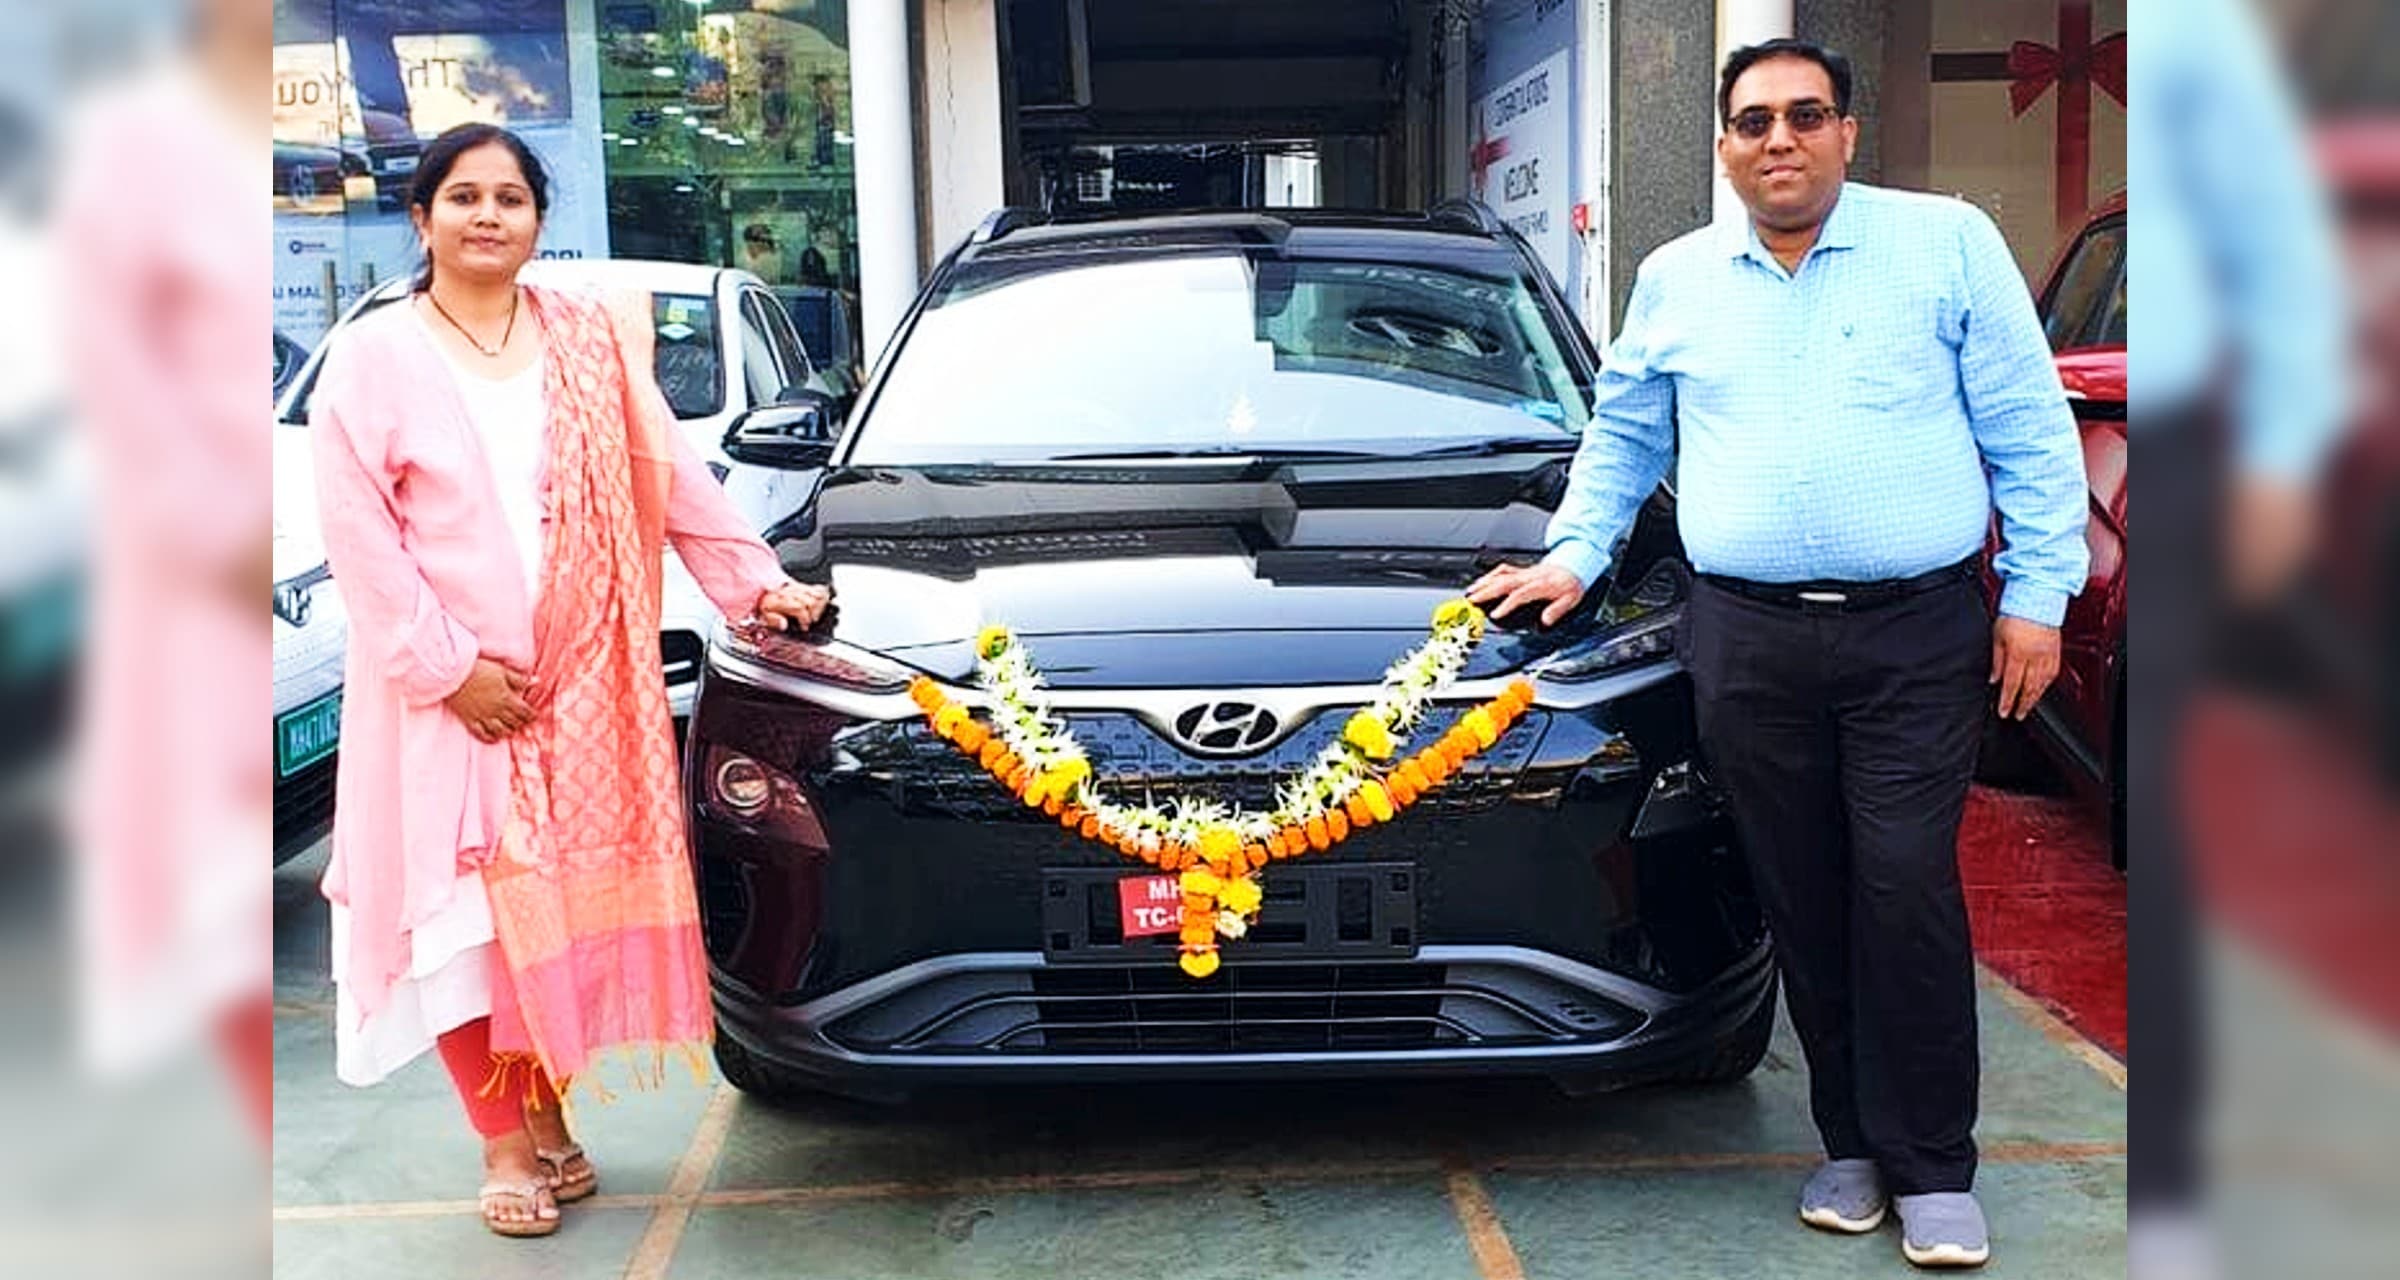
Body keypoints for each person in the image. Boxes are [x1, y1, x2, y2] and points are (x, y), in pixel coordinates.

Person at [1468, 39, 2088, 1270]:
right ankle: (1849, 1145)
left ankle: (1935, 1163)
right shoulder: (1679, 276)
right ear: (1724, 147)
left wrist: (2040, 593)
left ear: (1849, 132)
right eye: (1754, 122)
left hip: (1916, 631)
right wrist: (1575, 554)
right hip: (1745, 637)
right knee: (1798, 889)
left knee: (1901, 882)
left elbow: (2026, 419)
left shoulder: (1945, 245)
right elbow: (1629, 430)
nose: (1780, 140)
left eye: (1806, 115)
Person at [311, 123, 831, 1238]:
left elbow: (663, 470)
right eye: (463, 196)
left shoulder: (584, 337)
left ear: (539, 221)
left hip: (583, 679)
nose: (487, 215)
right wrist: (452, 672)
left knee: (537, 912)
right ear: (421, 217)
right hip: (443, 689)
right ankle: (504, 1143)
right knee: (462, 917)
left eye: (510, 197)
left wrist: (750, 582)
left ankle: (543, 1114)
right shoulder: (376, 356)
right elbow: (360, 537)